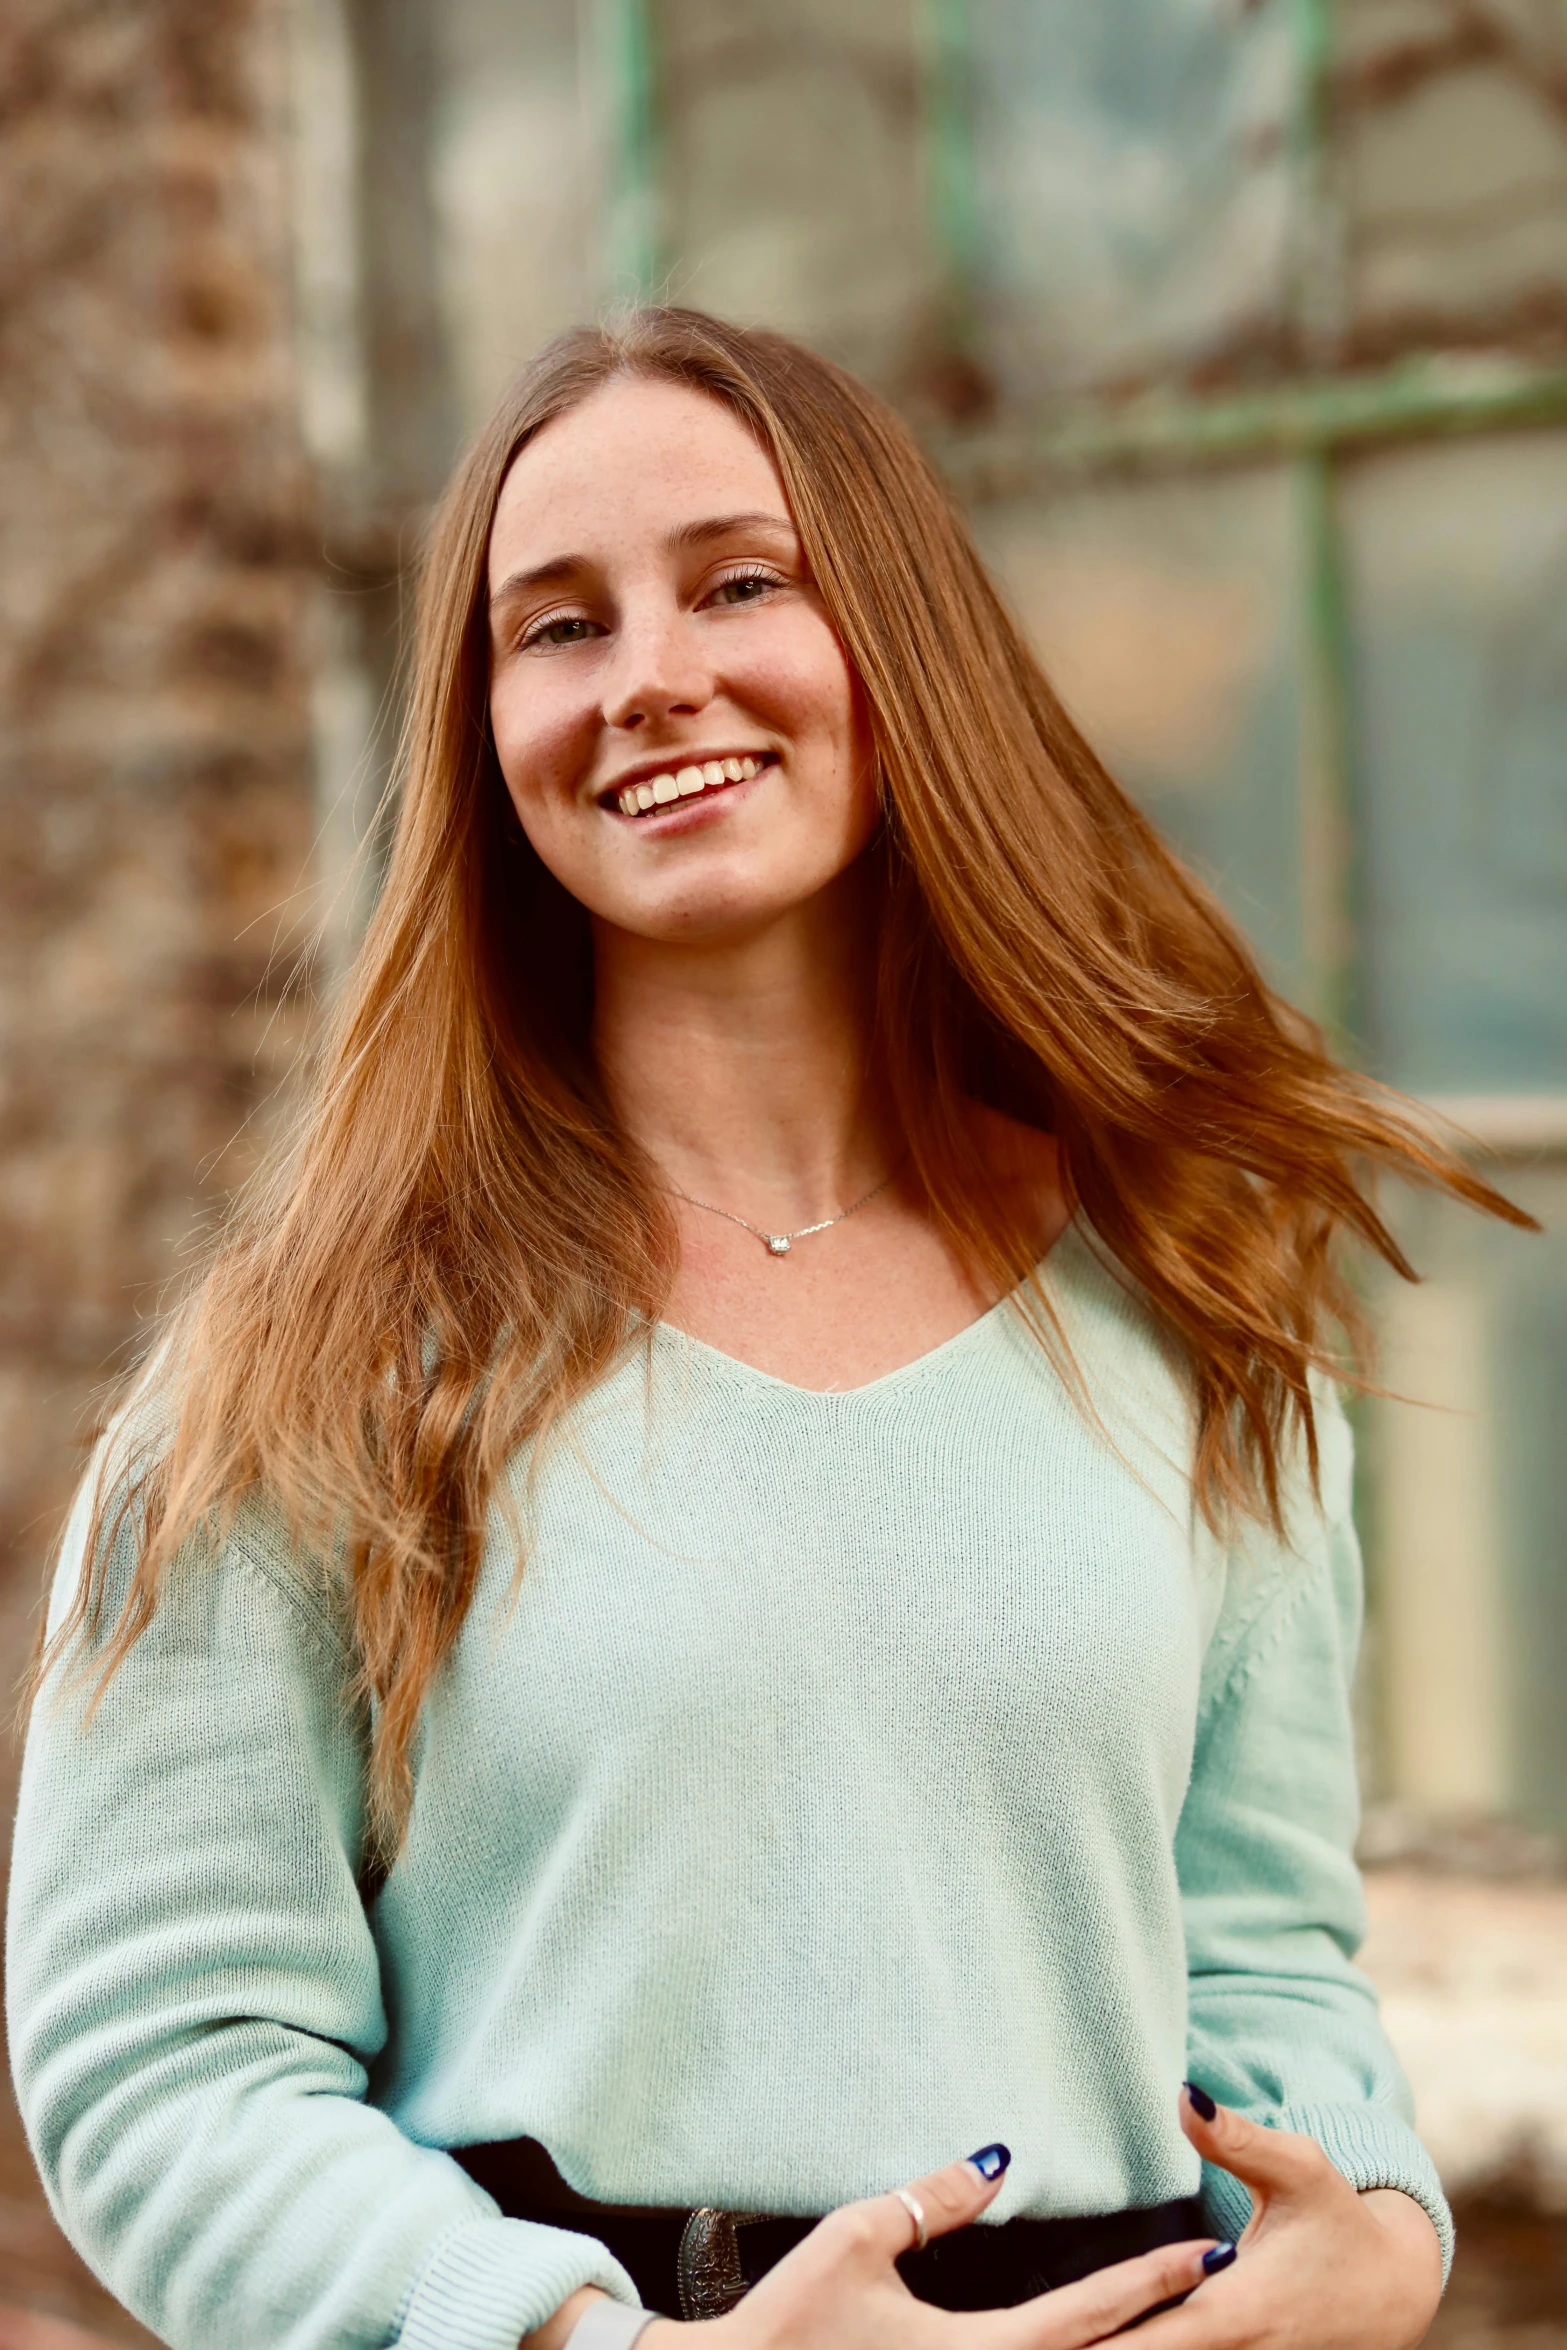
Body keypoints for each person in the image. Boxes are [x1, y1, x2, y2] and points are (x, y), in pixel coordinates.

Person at [7, 309, 1523, 2350]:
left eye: (740, 581)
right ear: (481, 726)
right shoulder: (309, 1377)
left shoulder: (1185, 1298)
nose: (651, 677)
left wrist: (1387, 2224)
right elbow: (163, 2060)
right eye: (555, 625)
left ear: (901, 646)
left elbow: (1263, 1958)